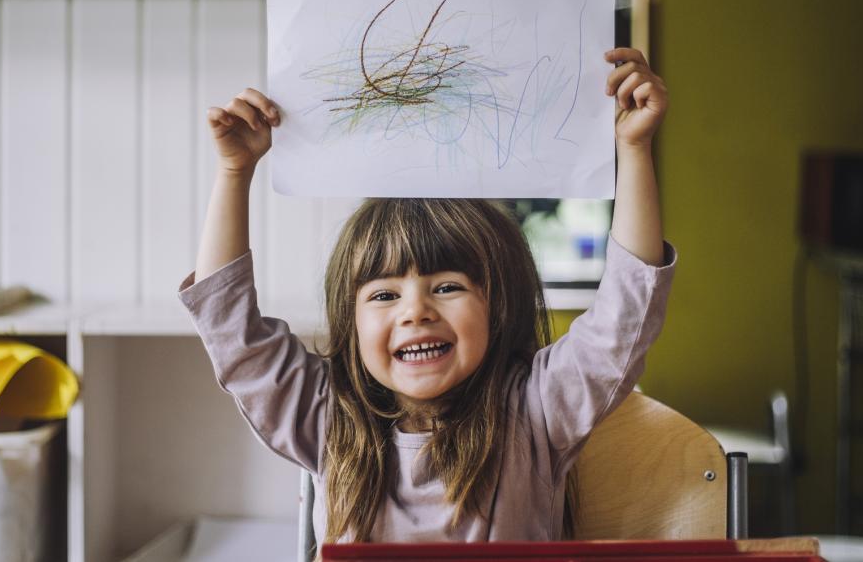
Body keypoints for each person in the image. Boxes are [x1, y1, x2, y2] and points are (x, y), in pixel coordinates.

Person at [179, 47, 675, 546]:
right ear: (351, 324)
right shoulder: (327, 414)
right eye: (384, 295)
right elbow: (230, 328)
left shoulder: (538, 410)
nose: (415, 311)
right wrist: (234, 172)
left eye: (447, 287)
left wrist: (632, 151)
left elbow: (624, 315)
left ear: (496, 306)